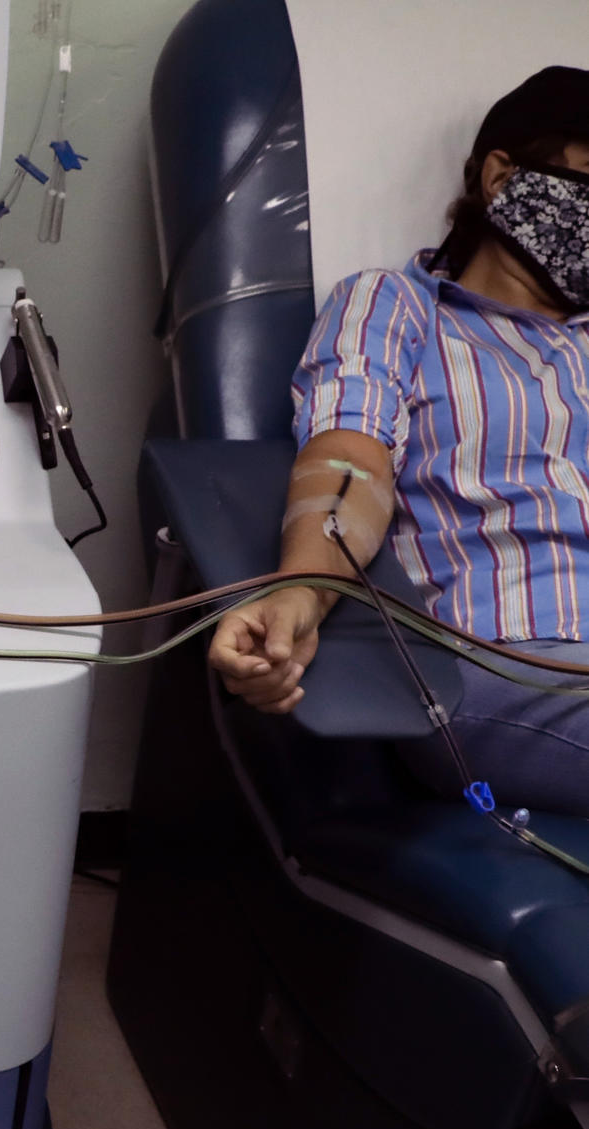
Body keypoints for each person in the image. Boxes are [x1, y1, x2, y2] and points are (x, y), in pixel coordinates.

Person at [208, 66, 589, 820]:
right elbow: (350, 463)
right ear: (501, 176)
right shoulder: (396, 307)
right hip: (505, 662)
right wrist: (303, 591)